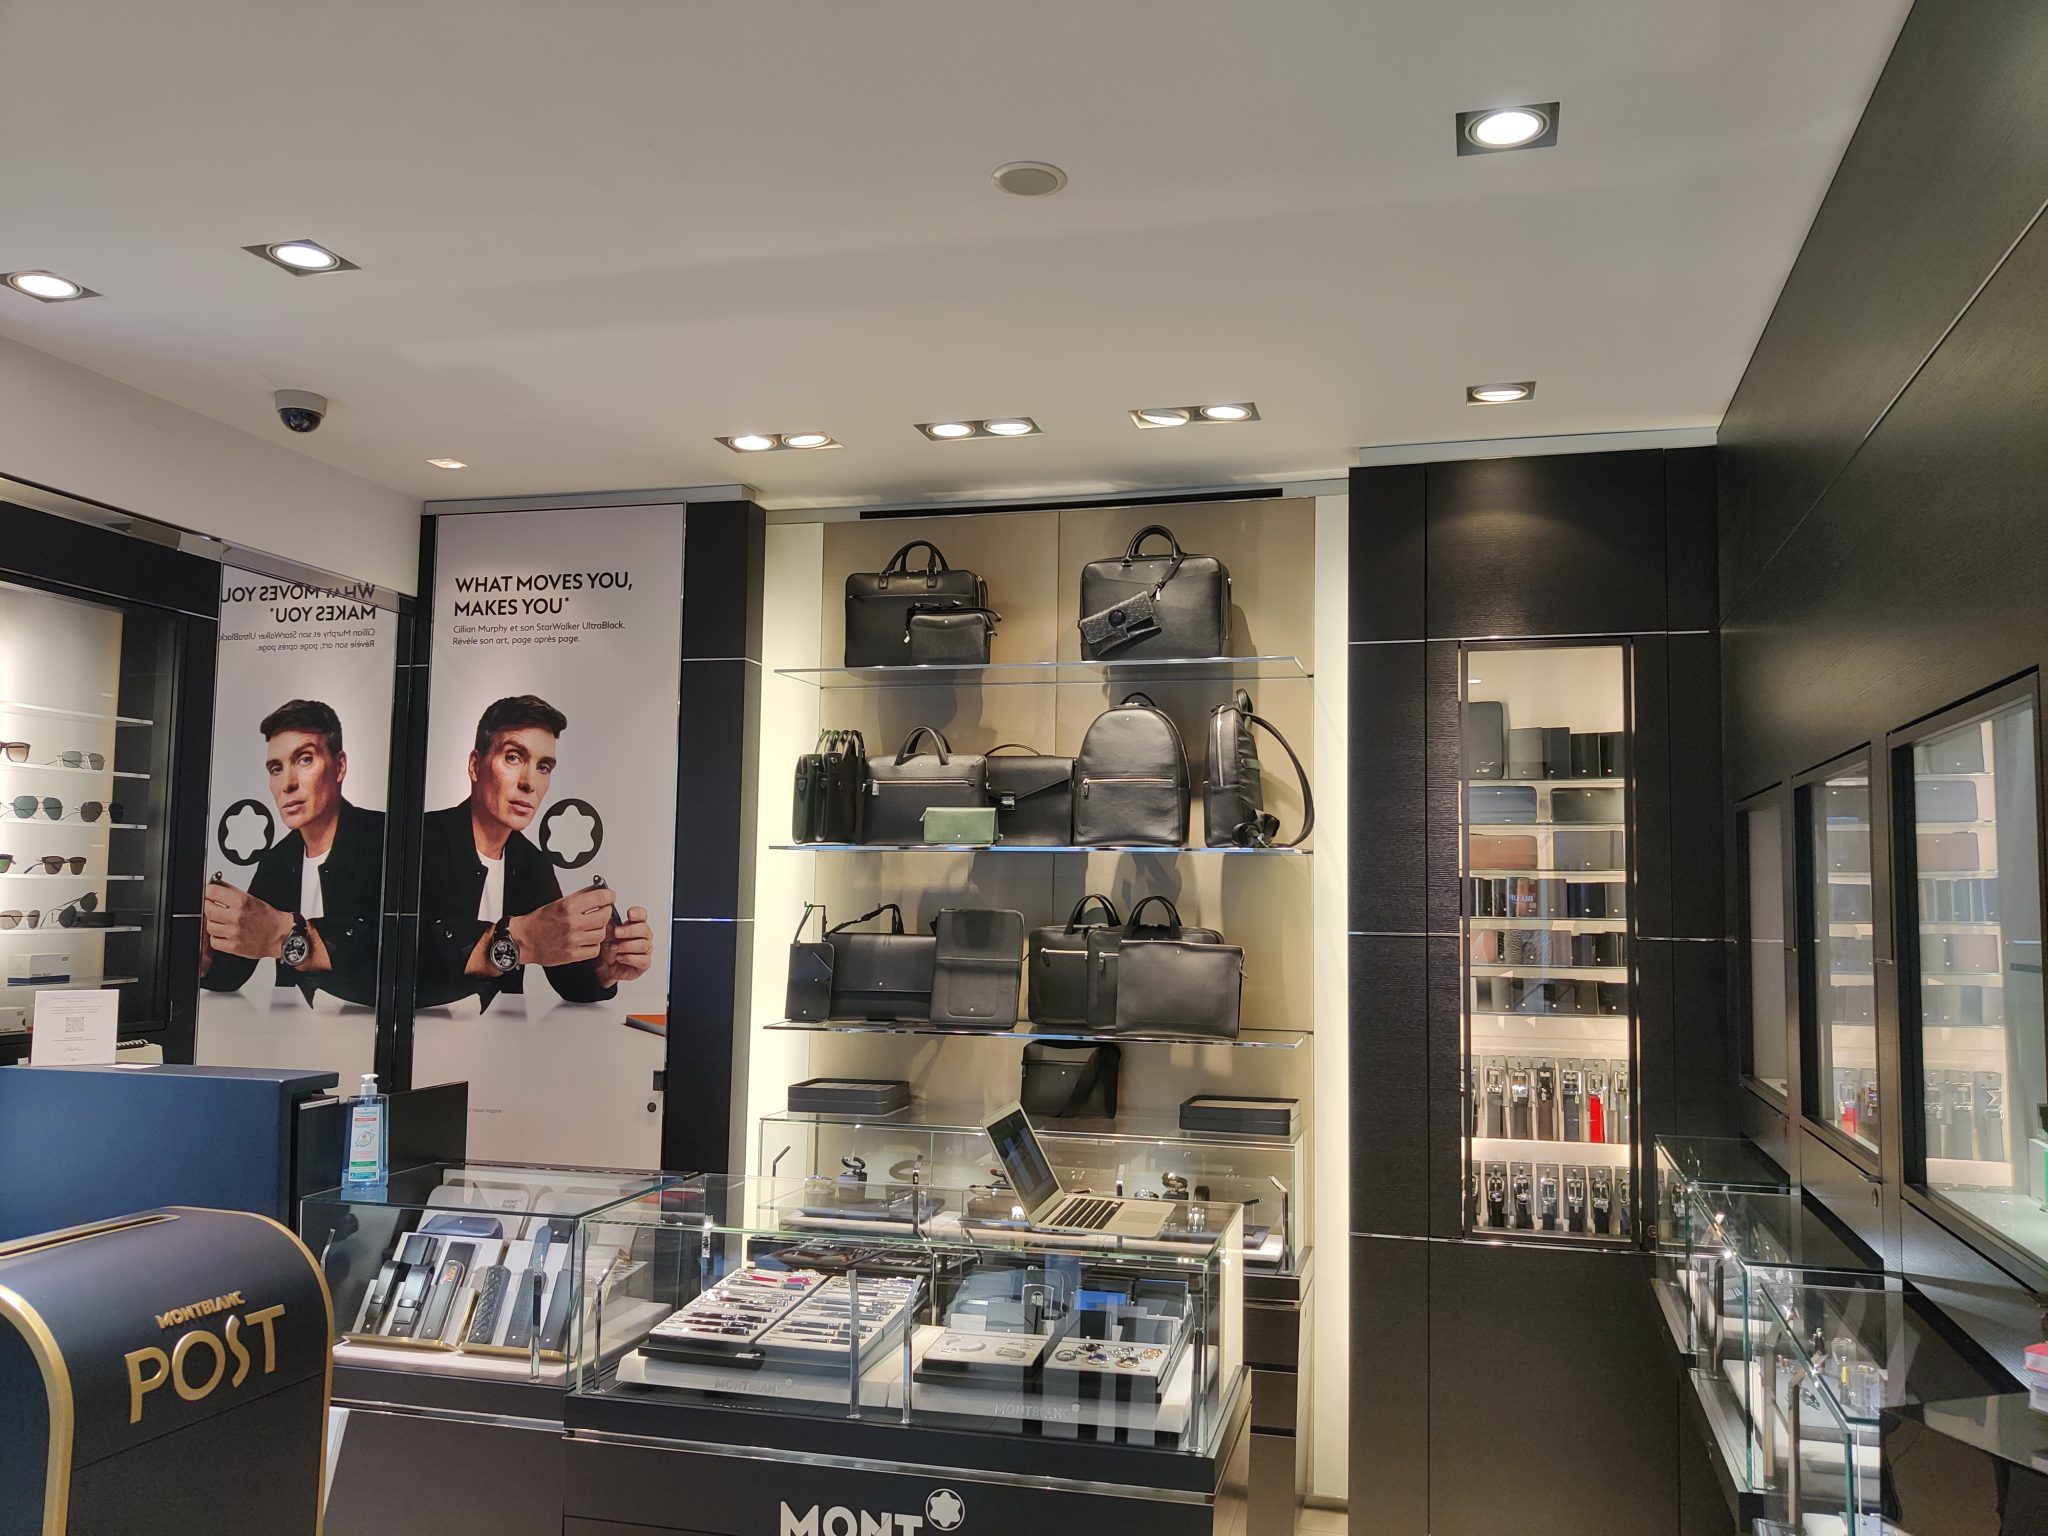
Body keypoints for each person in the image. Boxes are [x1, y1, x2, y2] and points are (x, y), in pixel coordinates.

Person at [416, 694, 652, 1009]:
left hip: (502, 1035)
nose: (529, 783)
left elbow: (567, 978)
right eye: (513, 757)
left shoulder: (531, 862)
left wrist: (605, 968)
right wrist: (520, 938)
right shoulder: (415, 841)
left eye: (543, 767)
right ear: (475, 765)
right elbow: (396, 960)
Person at [201, 698, 384, 1006]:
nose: (287, 784)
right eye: (276, 768)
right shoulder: (279, 860)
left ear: (340, 766)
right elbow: (231, 973)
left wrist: (282, 933)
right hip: (290, 1029)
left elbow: (388, 963)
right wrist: (204, 951)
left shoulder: (387, 841)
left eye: (304, 759)